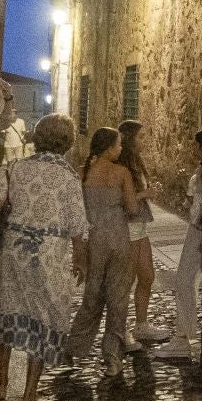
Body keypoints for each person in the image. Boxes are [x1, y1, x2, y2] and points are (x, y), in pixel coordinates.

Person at [0, 114, 89, 401]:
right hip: (49, 256)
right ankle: (29, 399)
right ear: (67, 142)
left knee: (7, 309)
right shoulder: (69, 178)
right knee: (44, 317)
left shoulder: (16, 168)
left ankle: (1, 389)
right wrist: (80, 260)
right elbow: (77, 226)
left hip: (14, 251)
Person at [70, 127, 141, 378]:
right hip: (119, 238)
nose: (121, 148)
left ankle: (75, 345)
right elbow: (132, 208)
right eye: (118, 144)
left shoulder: (84, 173)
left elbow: (78, 212)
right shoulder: (122, 173)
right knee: (118, 296)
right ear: (109, 147)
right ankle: (112, 357)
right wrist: (138, 197)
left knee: (93, 293)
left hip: (94, 240)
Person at [156, 127, 202, 360]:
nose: (193, 149)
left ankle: (184, 337)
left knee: (185, 280)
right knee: (199, 283)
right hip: (200, 230)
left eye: (196, 145)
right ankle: (199, 334)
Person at [118, 119, 166, 344]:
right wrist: (143, 195)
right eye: (140, 136)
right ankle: (119, 330)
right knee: (125, 280)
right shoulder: (120, 165)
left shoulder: (136, 162)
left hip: (139, 225)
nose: (143, 141)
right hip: (126, 227)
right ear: (129, 139)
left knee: (147, 275)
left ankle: (141, 325)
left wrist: (147, 192)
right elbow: (117, 199)